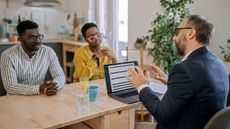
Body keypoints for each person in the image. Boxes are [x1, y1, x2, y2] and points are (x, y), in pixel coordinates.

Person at [127, 15, 229, 129]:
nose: (174, 38)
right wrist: (170, 82)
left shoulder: (184, 70)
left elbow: (161, 114)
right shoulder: (219, 63)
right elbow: (197, 90)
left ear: (190, 33)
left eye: (178, 31)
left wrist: (142, 86)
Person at [0, 20, 65, 96]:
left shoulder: (48, 52)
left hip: (40, 96)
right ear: (20, 39)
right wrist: (38, 89)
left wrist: (53, 86)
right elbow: (10, 86)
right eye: (32, 37)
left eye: (38, 36)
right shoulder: (7, 55)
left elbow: (60, 76)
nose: (37, 41)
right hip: (16, 98)